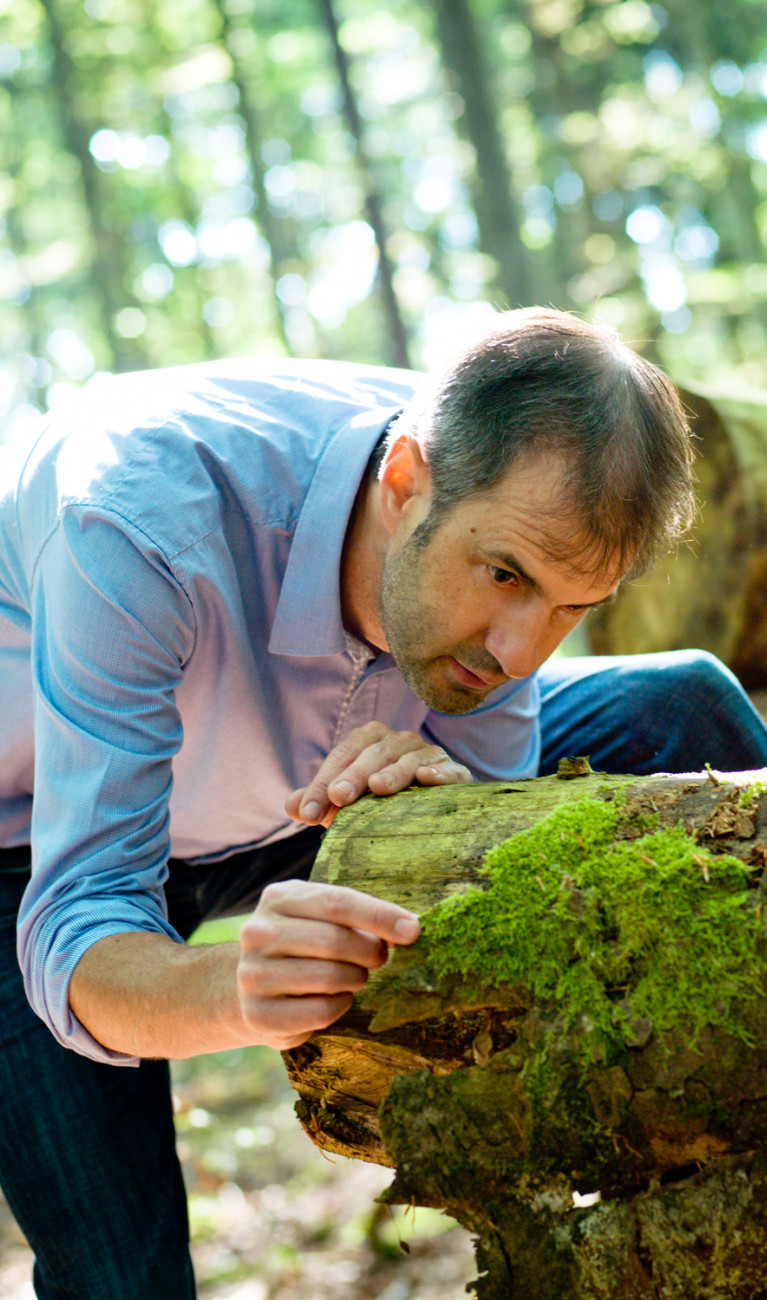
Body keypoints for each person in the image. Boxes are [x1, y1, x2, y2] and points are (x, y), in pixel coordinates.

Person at [1, 306, 766, 1297]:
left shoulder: (502, 492)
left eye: (571, 607)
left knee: (681, 706)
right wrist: (241, 987)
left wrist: (432, 813)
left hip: (283, 811)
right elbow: (76, 924)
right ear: (403, 481)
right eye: (503, 576)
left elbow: (494, 806)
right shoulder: (135, 515)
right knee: (122, 1270)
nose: (519, 649)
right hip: (40, 859)